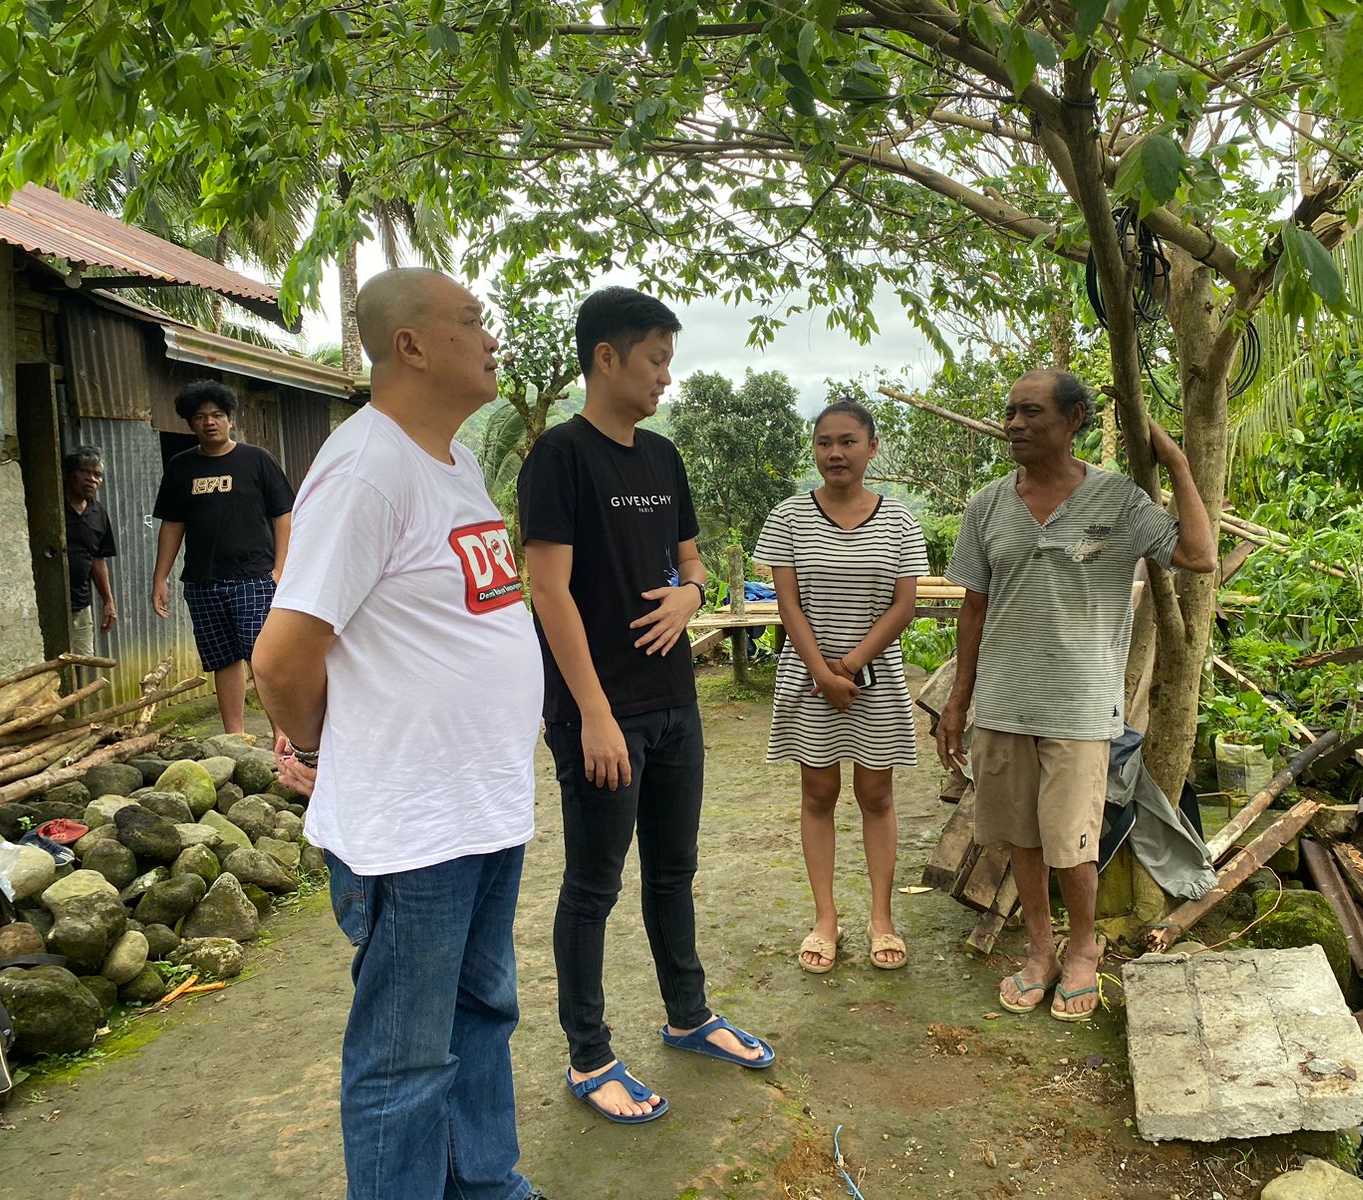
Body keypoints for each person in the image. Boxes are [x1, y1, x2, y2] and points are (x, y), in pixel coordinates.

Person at [250, 267, 549, 1200]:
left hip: (480, 808)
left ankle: (486, 1186)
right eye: (471, 320)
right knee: (403, 1061)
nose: (491, 336)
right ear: (411, 344)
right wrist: (326, 747)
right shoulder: (366, 469)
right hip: (412, 829)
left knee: (482, 1016)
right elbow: (281, 658)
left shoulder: (453, 461)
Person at [518, 285, 774, 1126]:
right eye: (656, 359)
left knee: (674, 872)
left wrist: (691, 598)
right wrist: (590, 711)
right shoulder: (560, 456)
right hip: (603, 712)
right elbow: (547, 591)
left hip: (674, 704)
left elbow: (691, 561)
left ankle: (688, 1016)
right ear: (607, 358)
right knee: (593, 885)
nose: (667, 376)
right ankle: (589, 1055)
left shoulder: (662, 458)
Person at [936, 371, 1215, 1021]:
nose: (1014, 424)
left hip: (1081, 707)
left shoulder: (1119, 502)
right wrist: (957, 702)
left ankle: (1084, 950)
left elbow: (1199, 556)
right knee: (1024, 840)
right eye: (1009, 412)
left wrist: (1172, 459)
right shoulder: (986, 505)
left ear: (1074, 420)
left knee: (1072, 841)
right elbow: (973, 608)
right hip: (1004, 702)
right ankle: (1040, 952)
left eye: (1031, 412)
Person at [753, 400, 929, 974]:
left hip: (874, 679)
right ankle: (825, 918)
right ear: (815, 450)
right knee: (818, 794)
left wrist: (848, 666)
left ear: (872, 448)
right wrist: (821, 674)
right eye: (825, 442)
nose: (836, 453)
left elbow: (906, 604)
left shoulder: (900, 520)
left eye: (849, 441)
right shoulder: (788, 518)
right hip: (809, 679)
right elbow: (787, 604)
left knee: (876, 795)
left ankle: (882, 917)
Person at [151, 379, 294, 734]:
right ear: (190, 423)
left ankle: (282, 737)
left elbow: (284, 516)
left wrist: (280, 569)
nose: (209, 422)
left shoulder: (256, 460)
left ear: (230, 419)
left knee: (262, 660)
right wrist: (160, 577)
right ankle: (234, 737)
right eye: (200, 417)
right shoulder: (181, 467)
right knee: (222, 659)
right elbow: (172, 525)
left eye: (217, 415)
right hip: (202, 582)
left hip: (254, 579)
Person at [63, 446, 117, 656]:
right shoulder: (53, 507)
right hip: (50, 607)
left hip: (80, 607)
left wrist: (108, 602)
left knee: (83, 660)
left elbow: (97, 560)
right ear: (68, 474)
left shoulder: (98, 513)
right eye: (85, 472)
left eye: (97, 475)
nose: (92, 479)